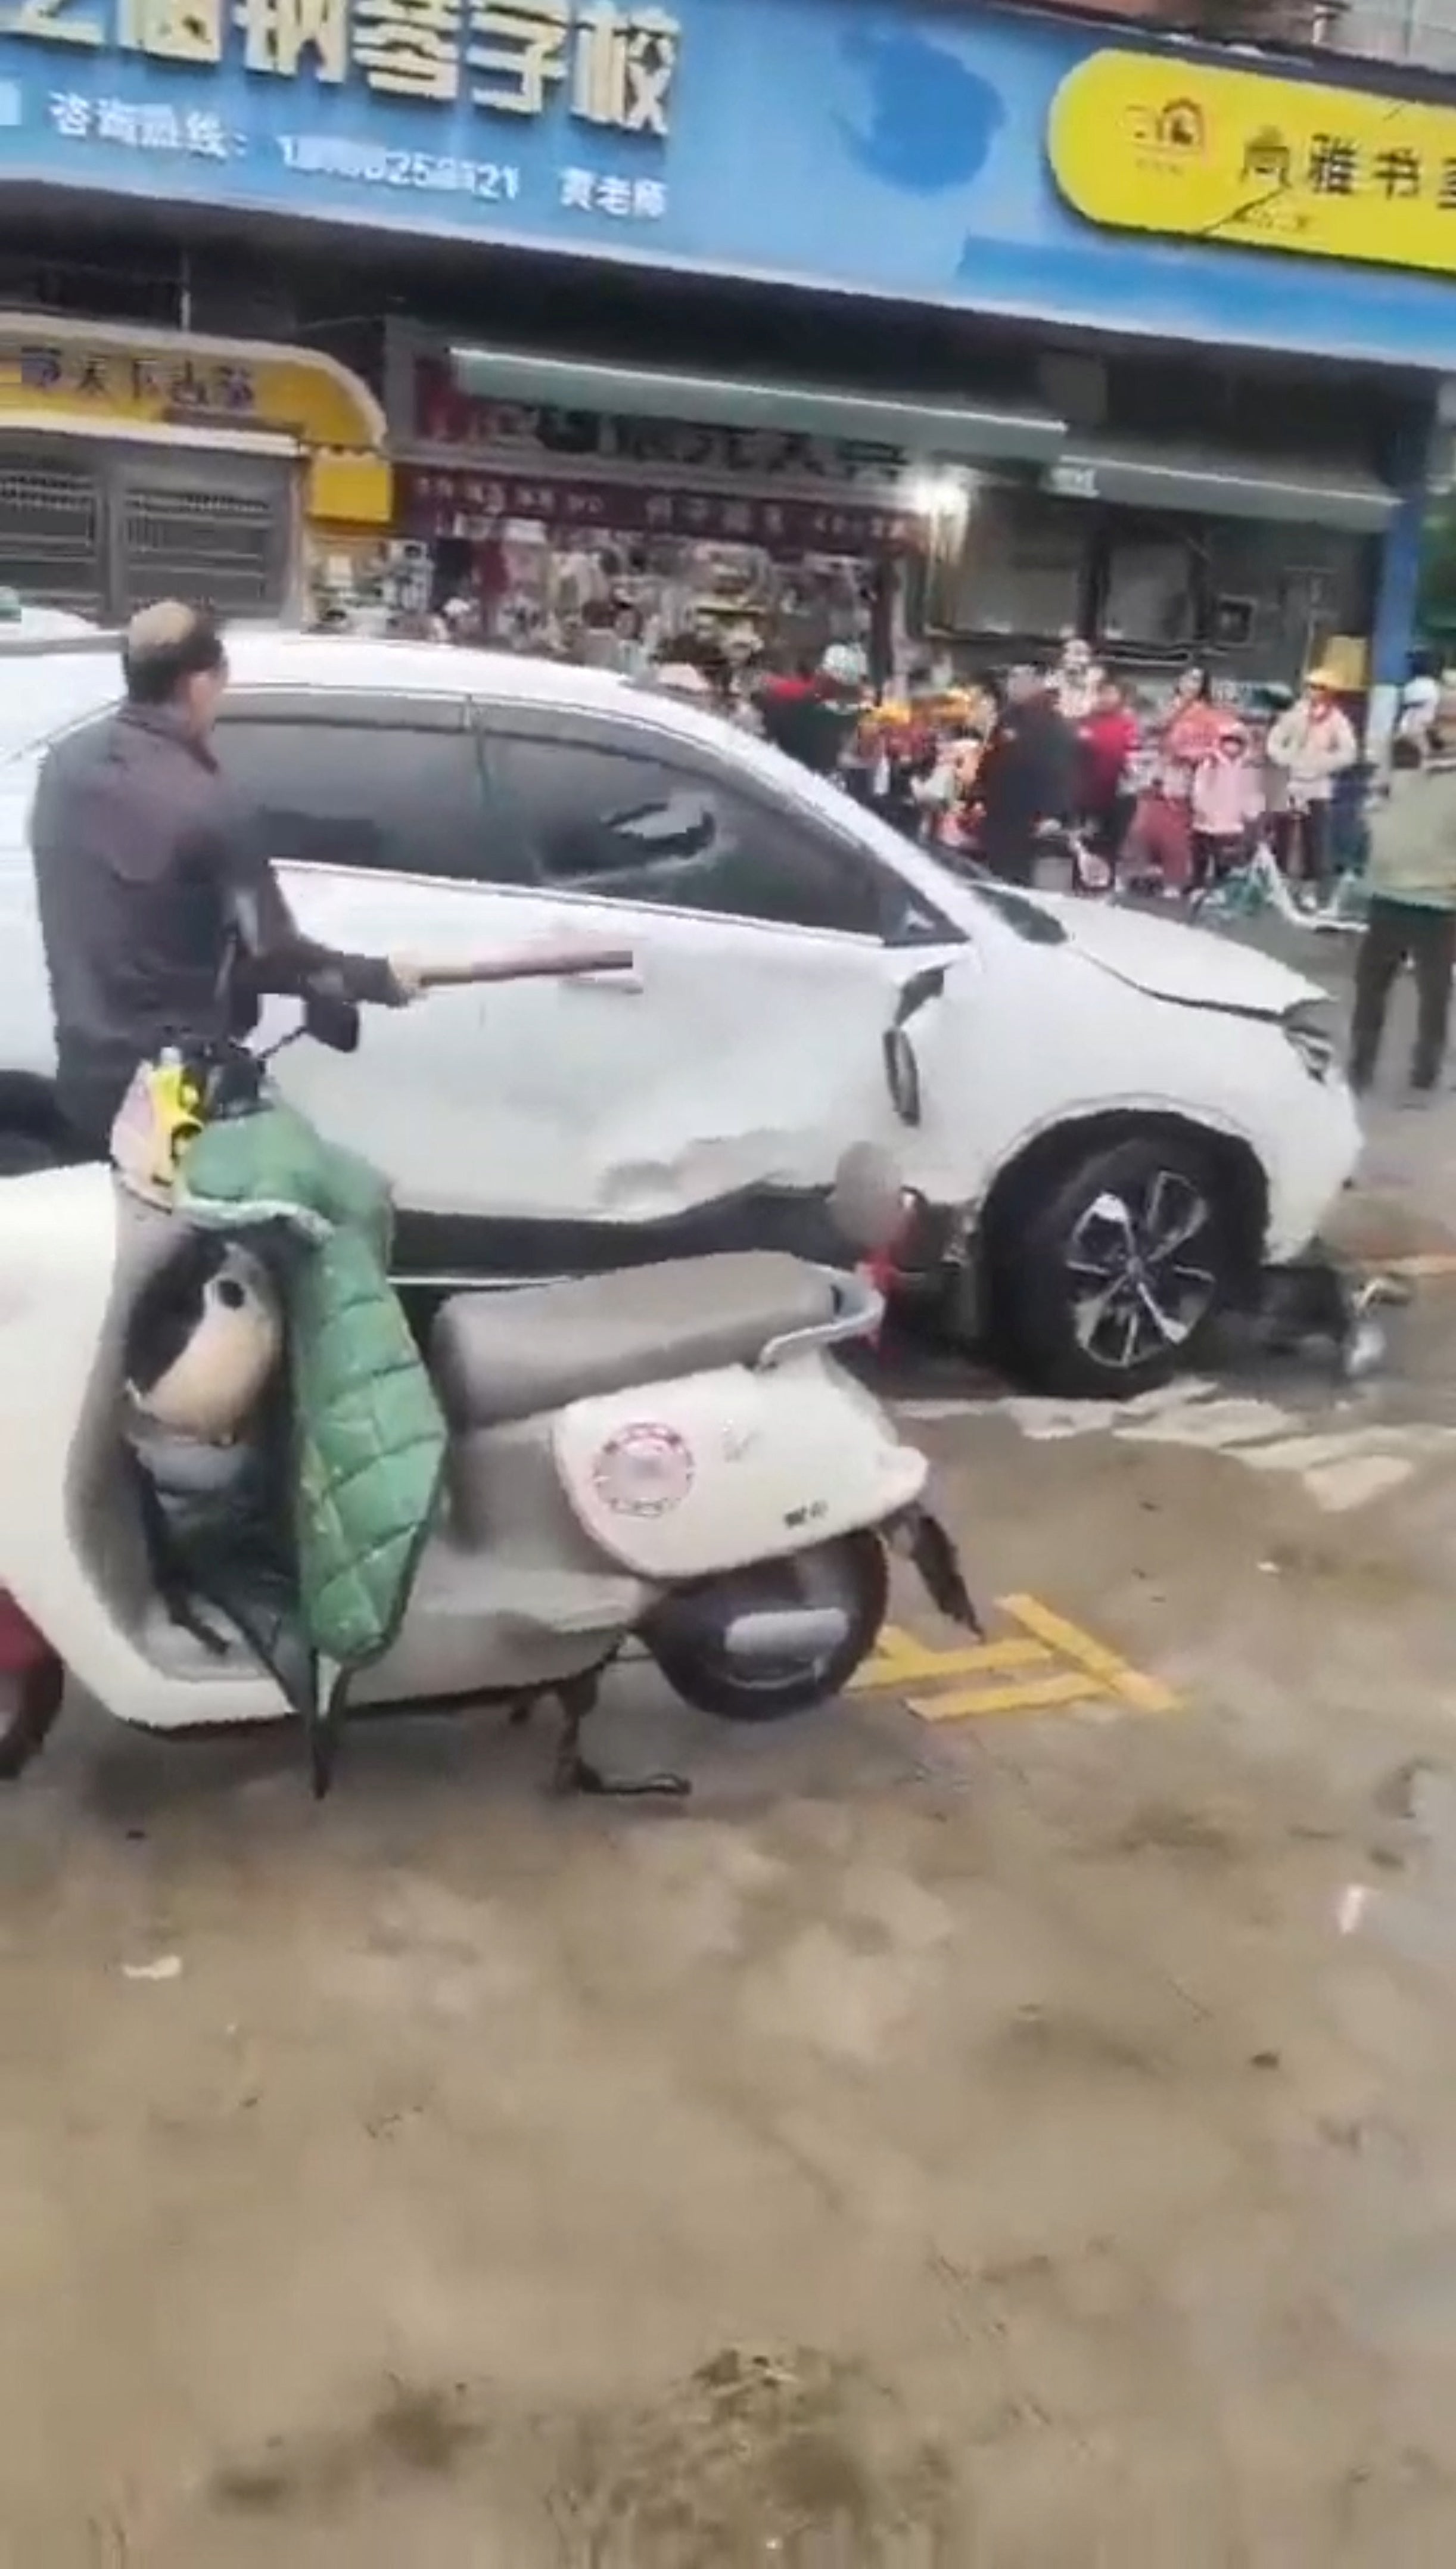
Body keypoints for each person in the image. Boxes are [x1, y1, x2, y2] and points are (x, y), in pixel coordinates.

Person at [30, 601, 417, 1157]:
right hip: (173, 1093)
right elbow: (272, 951)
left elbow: (139, 908)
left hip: (83, 1073)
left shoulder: (64, 766)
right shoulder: (209, 804)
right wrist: (377, 977)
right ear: (198, 682)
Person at [1349, 724, 1456, 1100]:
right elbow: (1373, 820)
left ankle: (1422, 1074)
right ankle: (1362, 1068)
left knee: (1433, 994)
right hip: (1389, 896)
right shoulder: (1402, 776)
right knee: (1374, 989)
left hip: (1437, 903)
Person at [972, 665, 1077, 885]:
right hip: (998, 810)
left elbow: (1060, 769)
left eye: (1019, 679)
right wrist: (977, 795)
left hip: (1029, 814)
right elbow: (991, 758)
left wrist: (1054, 813)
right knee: (995, 873)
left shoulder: (1052, 723)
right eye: (1011, 678)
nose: (1012, 685)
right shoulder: (1007, 718)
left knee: (1019, 875)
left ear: (1035, 683)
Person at [1267, 668, 1358, 887]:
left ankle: (1312, 885)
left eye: (1318, 688)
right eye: (1310, 687)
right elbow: (1274, 741)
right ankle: (1280, 879)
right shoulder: (1295, 714)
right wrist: (1287, 759)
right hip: (1292, 783)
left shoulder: (1338, 720)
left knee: (1315, 837)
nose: (1312, 692)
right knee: (1283, 833)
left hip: (1318, 786)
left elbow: (1349, 753)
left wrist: (1323, 764)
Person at [1189, 720, 1264, 889]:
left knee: (1225, 863)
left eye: (1237, 742)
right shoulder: (1210, 763)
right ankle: (1198, 888)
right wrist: (1202, 808)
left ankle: (1221, 889)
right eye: (1228, 741)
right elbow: (1199, 788)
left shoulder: (1246, 767)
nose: (1232, 746)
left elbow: (1252, 792)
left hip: (1232, 825)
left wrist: (1252, 812)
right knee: (1201, 859)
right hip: (1205, 823)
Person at [1075, 676, 1139, 868]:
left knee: (1110, 847)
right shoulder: (1085, 722)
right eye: (1102, 693)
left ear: (1120, 697)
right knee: (1086, 846)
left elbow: (1133, 756)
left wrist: (1130, 773)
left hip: (1117, 795)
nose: (1105, 698)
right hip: (1087, 796)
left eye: (1111, 693)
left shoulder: (1128, 723)